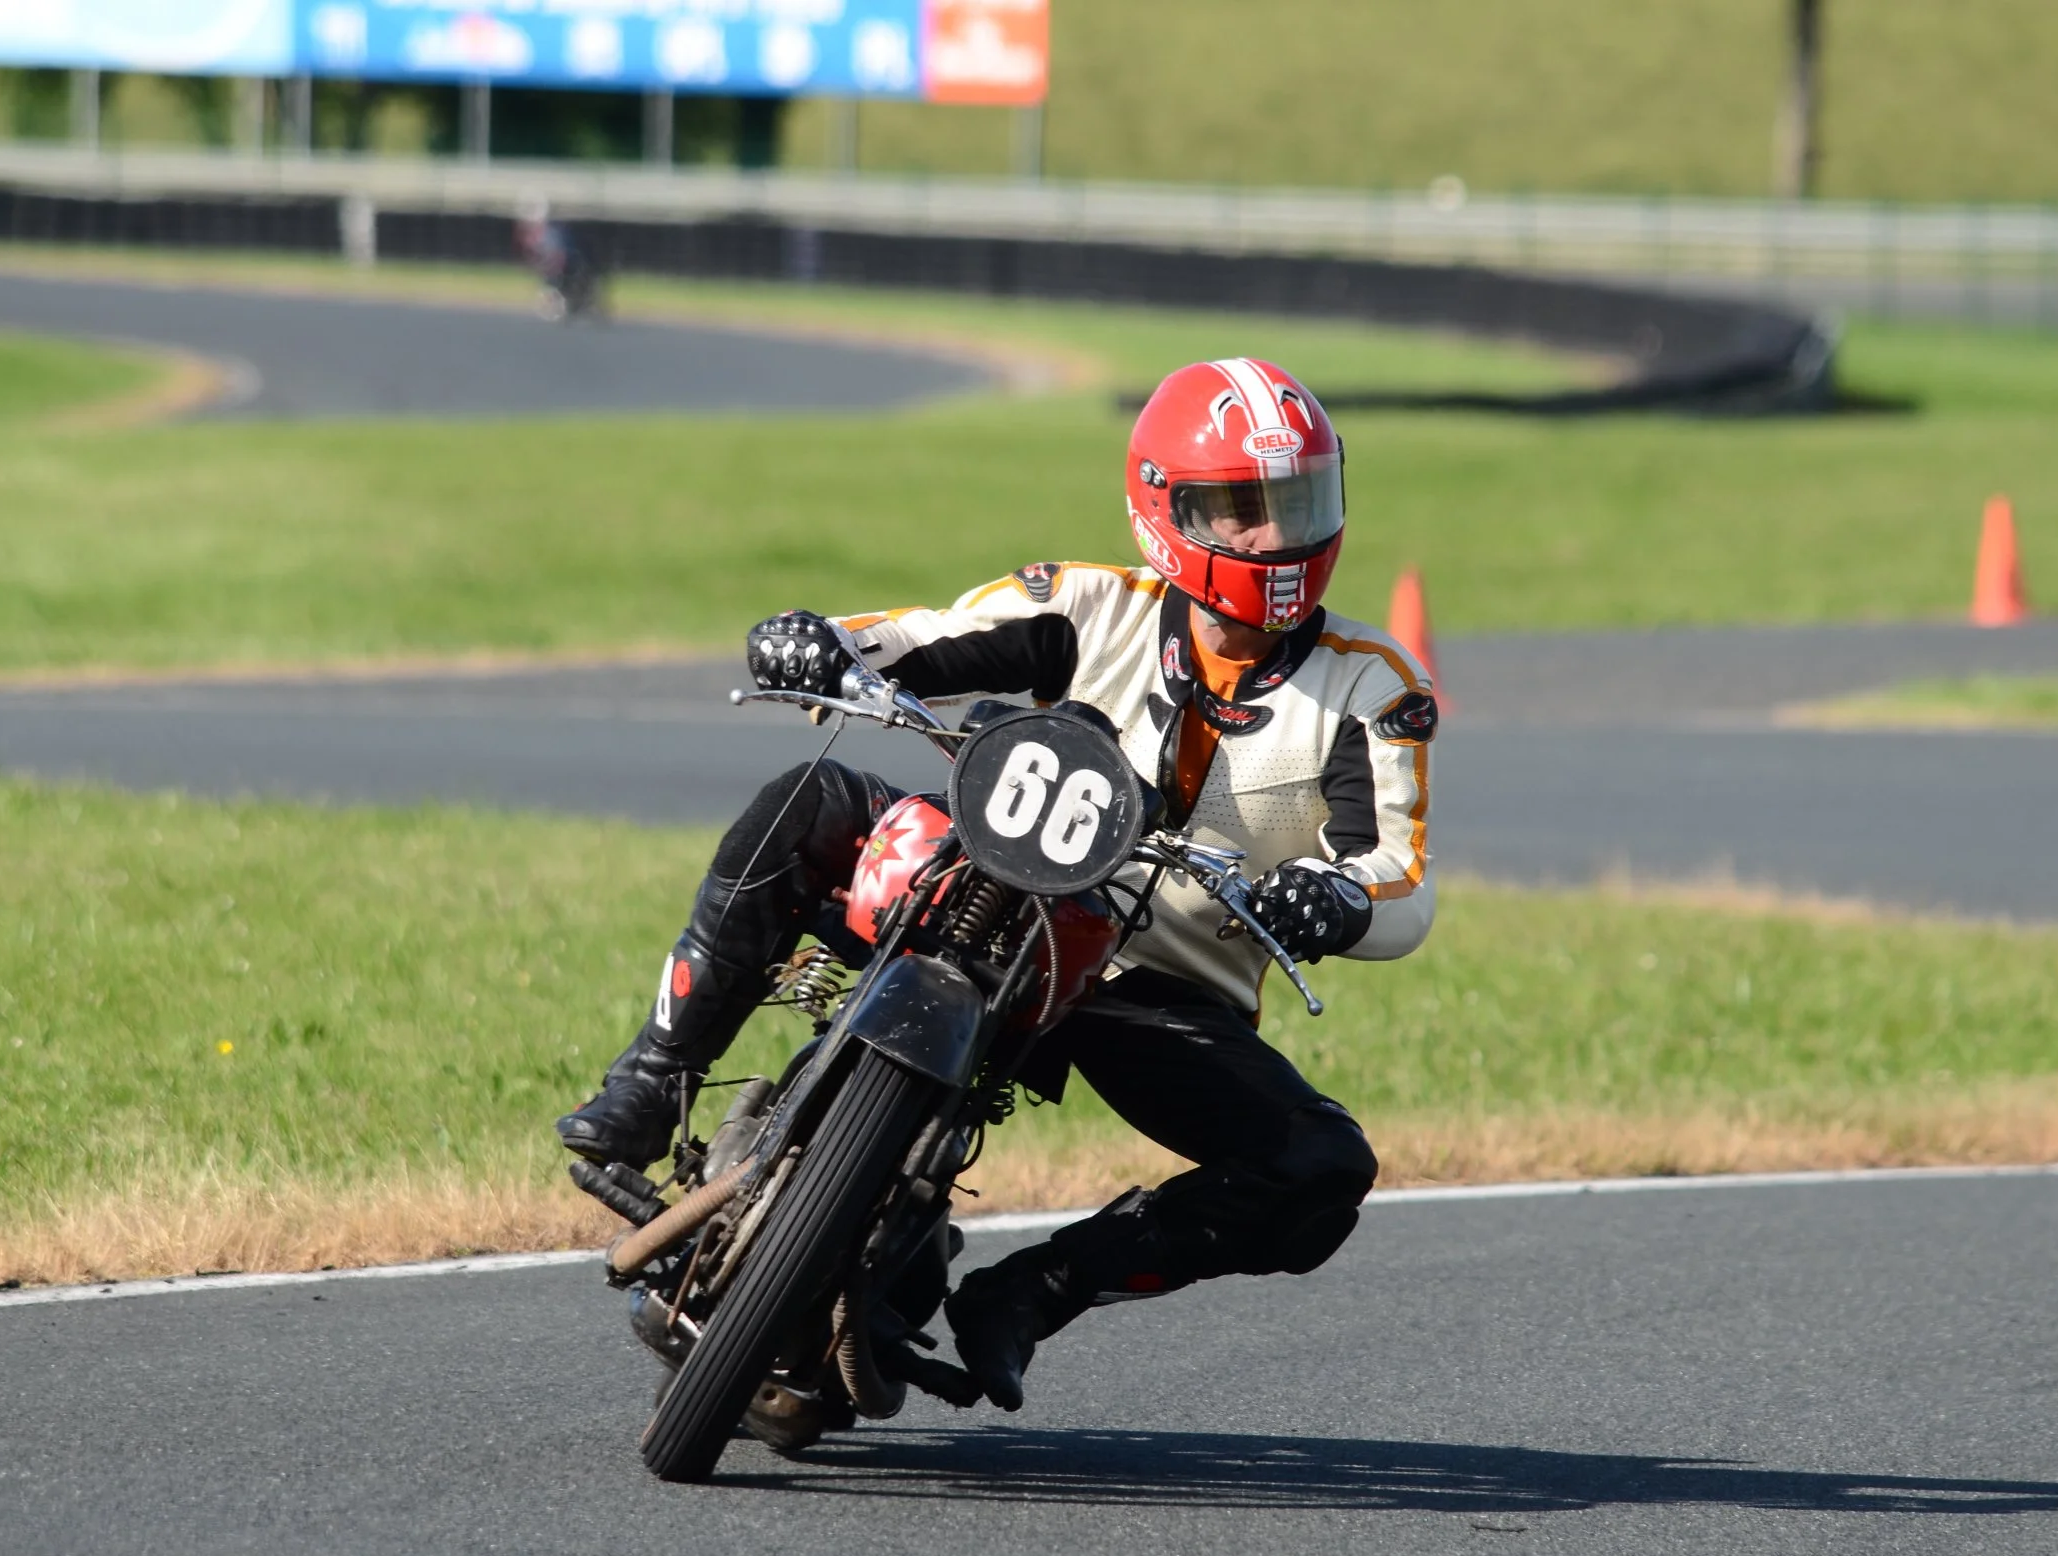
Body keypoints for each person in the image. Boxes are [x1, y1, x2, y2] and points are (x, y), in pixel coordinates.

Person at [560, 357, 1437, 1409]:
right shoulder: (1085, 603)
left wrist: (1338, 898)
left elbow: (1399, 876)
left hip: (1156, 990)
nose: (1271, 539)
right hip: (999, 891)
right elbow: (915, 637)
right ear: (1166, 510)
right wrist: (823, 643)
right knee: (811, 798)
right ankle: (653, 1075)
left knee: (1322, 1167)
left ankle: (1033, 1292)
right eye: (1240, 510)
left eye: (1294, 505)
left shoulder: (1375, 685)